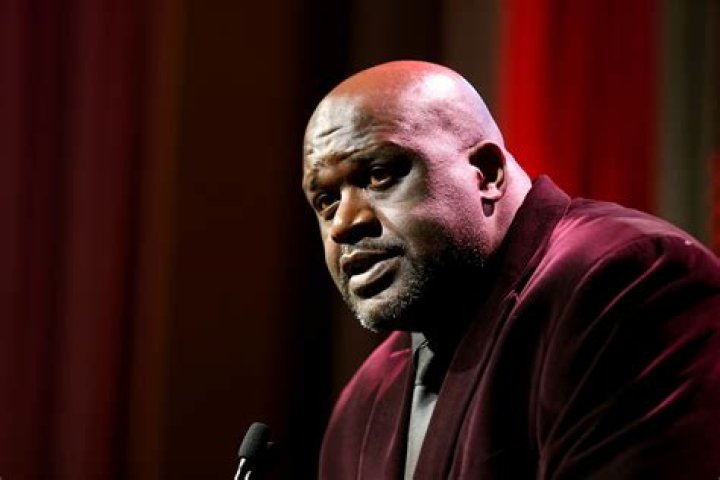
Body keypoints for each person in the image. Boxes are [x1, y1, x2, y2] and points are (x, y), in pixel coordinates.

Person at [301, 60, 720, 479]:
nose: (343, 224)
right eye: (326, 201)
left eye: (379, 175)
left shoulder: (628, 282)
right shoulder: (363, 405)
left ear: (486, 173)